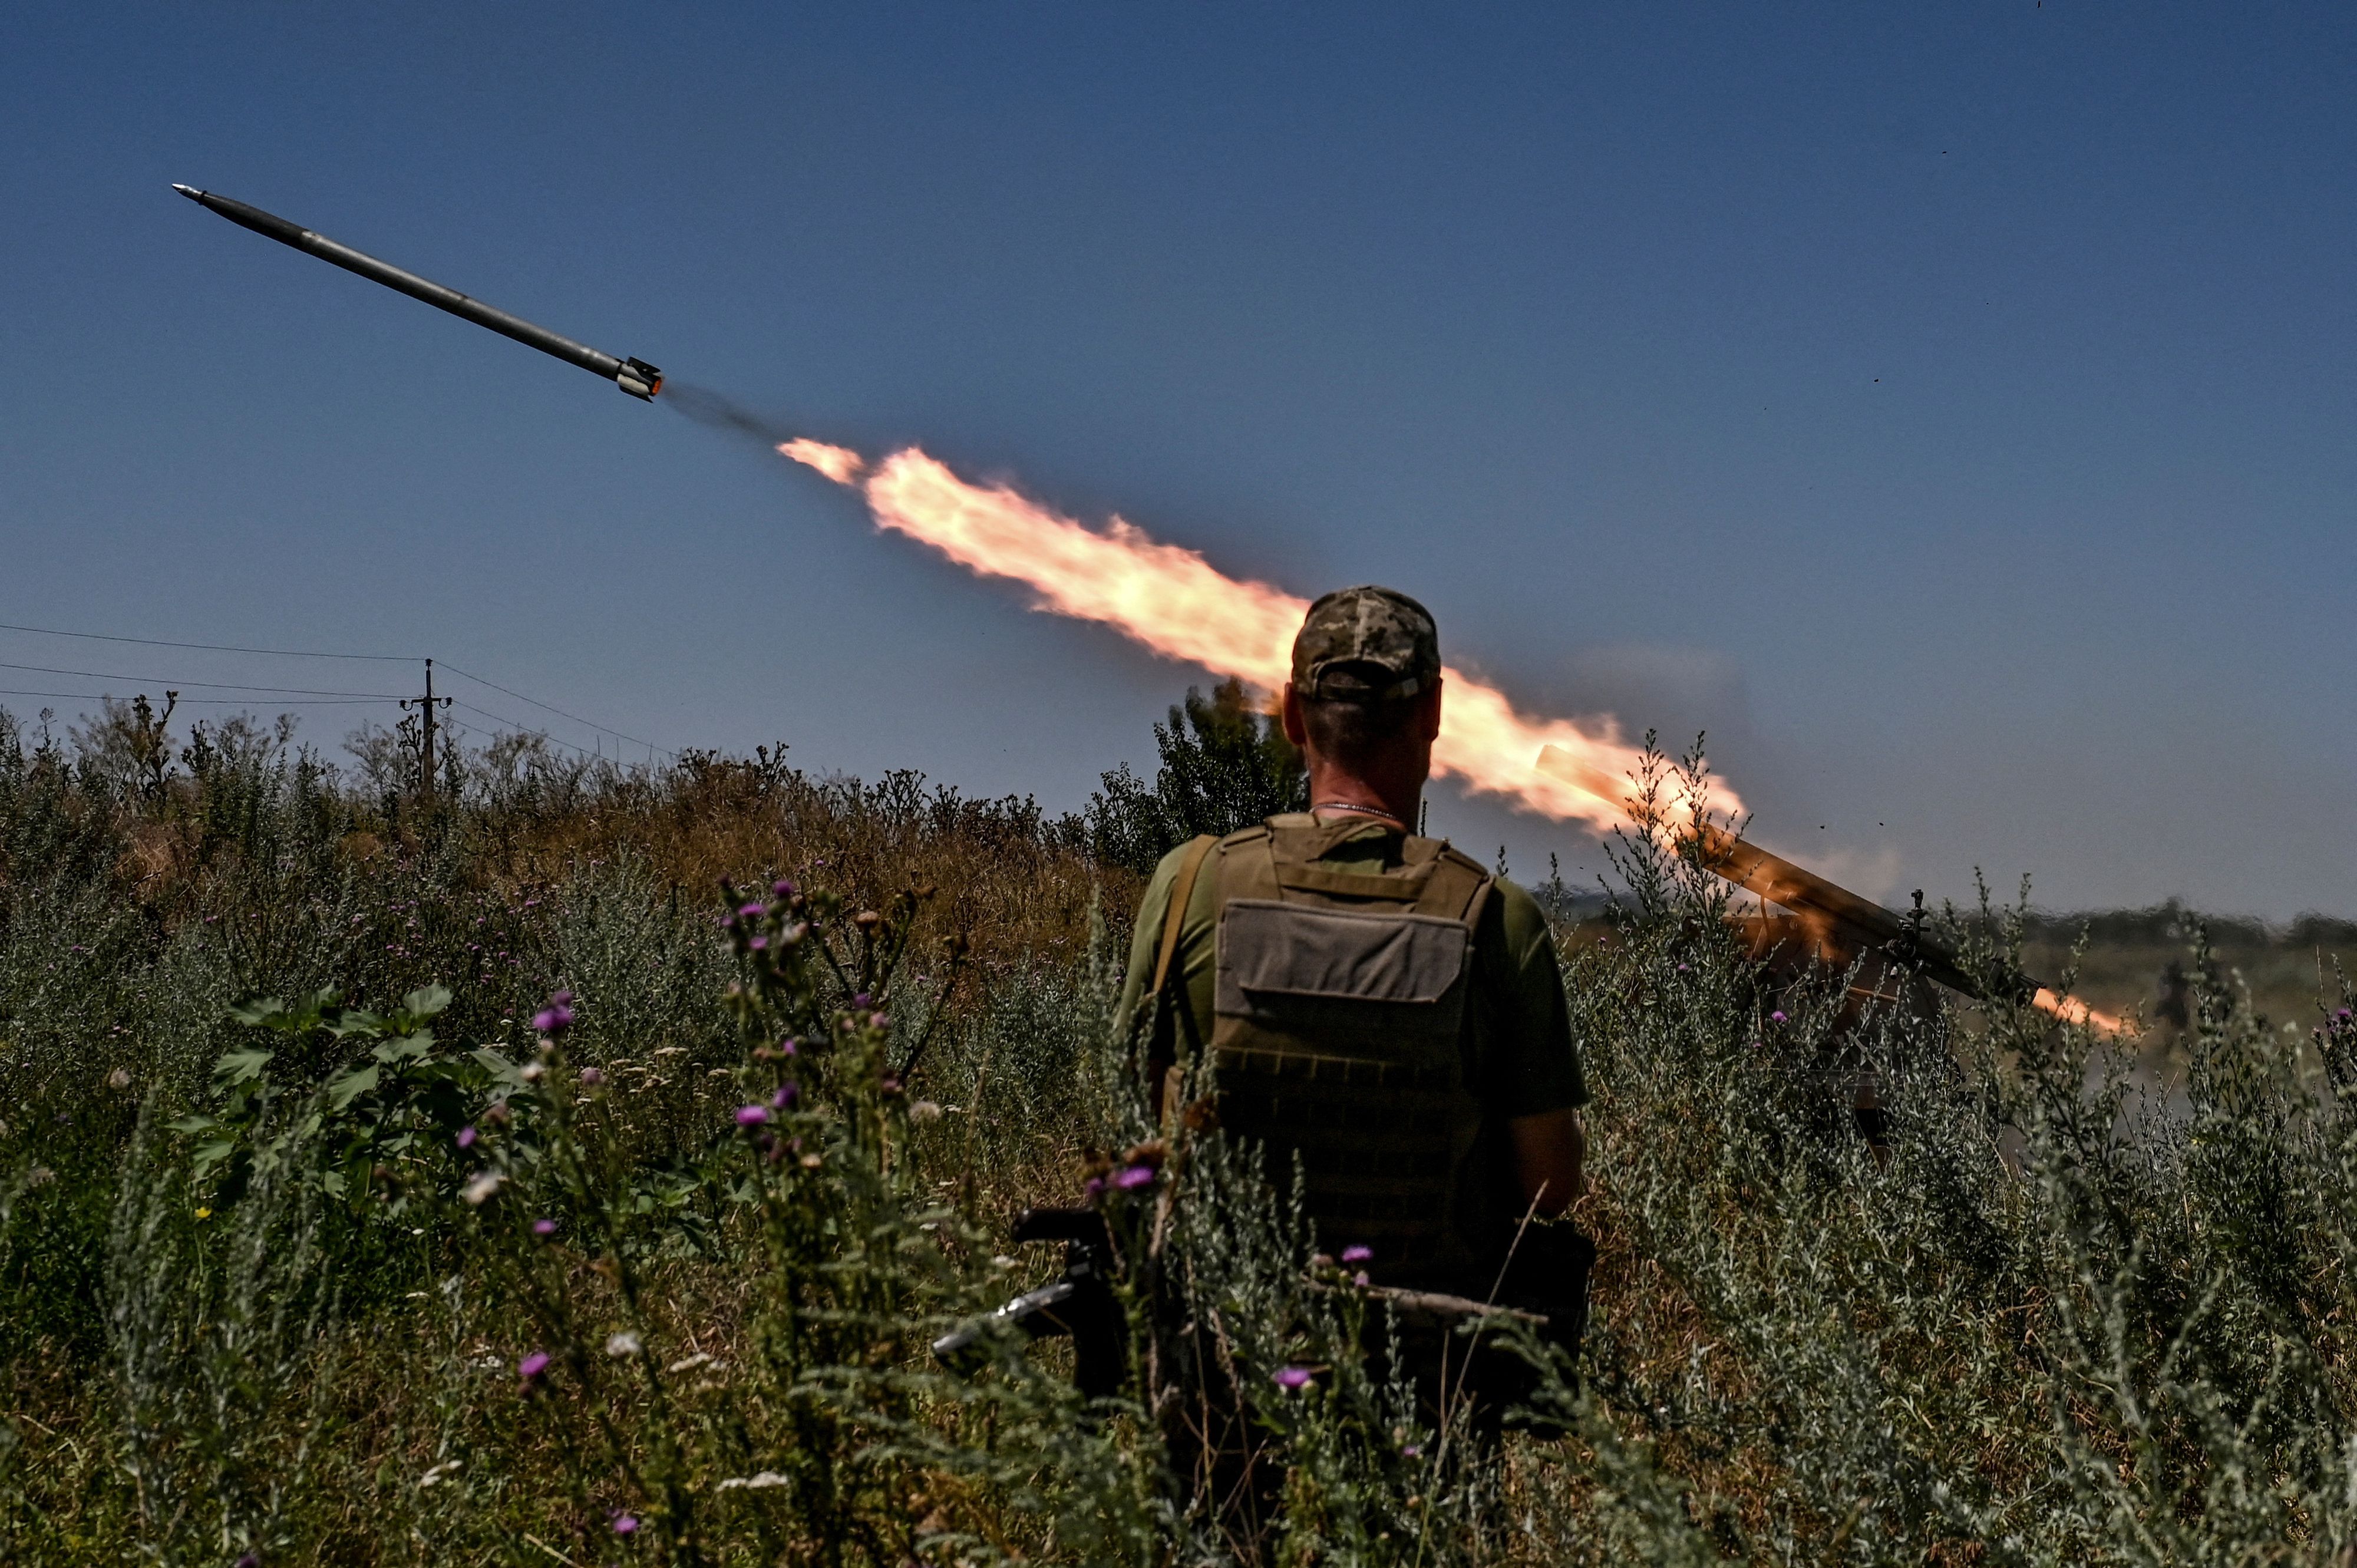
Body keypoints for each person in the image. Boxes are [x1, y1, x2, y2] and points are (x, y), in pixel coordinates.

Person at [1115, 582, 1590, 1318]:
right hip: (1423, 1371)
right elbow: (1548, 1188)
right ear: (1433, 714)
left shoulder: (1193, 884)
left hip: (1224, 1345)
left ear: (1290, 716)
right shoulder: (1500, 920)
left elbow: (1131, 1114)